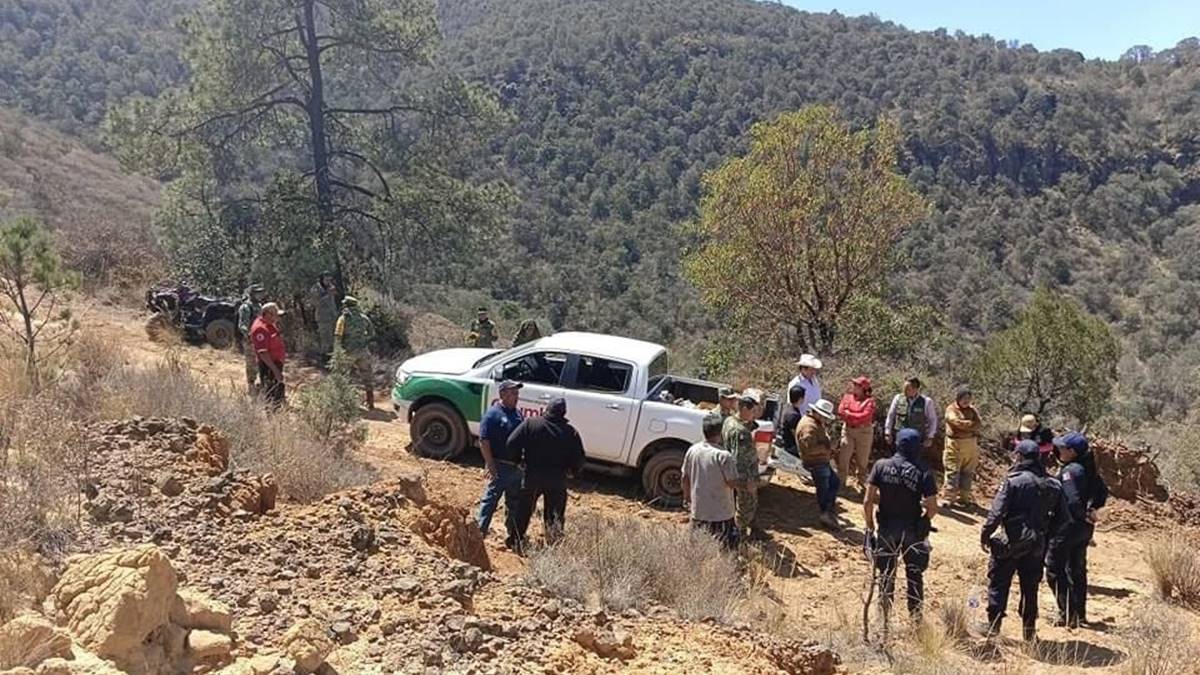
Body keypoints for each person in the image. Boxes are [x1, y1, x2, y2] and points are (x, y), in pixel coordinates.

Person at [980, 440, 1070, 642]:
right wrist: (1045, 534)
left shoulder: (1013, 481)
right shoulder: (1054, 484)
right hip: (1037, 544)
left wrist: (986, 535)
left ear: (1020, 457)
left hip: (1010, 542)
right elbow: (1064, 518)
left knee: (999, 582)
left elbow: (996, 513)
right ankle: (1029, 632)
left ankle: (993, 627)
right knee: (1030, 587)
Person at [864, 428, 938, 622]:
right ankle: (915, 619)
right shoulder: (924, 471)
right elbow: (932, 507)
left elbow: (867, 500)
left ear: (897, 444)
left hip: (887, 527)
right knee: (914, 574)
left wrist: (870, 527)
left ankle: (884, 618)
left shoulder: (880, 466)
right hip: (912, 530)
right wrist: (925, 521)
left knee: (886, 574)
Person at [1045, 431, 1108, 628]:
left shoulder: (1070, 471)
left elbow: (1071, 500)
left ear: (1071, 452)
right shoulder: (1089, 469)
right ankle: (1079, 614)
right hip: (1084, 529)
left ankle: (1067, 614)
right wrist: (1092, 512)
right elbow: (1103, 493)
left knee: (1055, 568)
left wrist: (1081, 514)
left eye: (1062, 448)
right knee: (1077, 570)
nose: (1058, 451)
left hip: (1067, 527)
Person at [508, 397, 585, 550]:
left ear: (547, 409)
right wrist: (573, 472)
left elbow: (511, 443)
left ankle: (515, 540)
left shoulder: (531, 424)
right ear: (563, 414)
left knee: (523, 510)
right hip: (557, 480)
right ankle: (553, 547)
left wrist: (518, 460)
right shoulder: (571, 432)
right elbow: (580, 459)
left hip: (532, 476)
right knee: (554, 514)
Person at [683, 411, 744, 549]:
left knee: (697, 548)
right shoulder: (723, 456)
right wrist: (747, 485)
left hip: (698, 511)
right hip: (720, 514)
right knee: (726, 549)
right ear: (720, 433)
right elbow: (731, 483)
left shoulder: (693, 450)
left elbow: (685, 477)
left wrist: (687, 498)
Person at [476, 380, 525, 548]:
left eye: (517, 393)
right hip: (499, 465)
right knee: (490, 500)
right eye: (512, 393)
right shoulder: (493, 414)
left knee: (515, 503)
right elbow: (483, 440)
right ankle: (479, 533)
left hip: (516, 468)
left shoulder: (518, 414)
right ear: (502, 394)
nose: (516, 397)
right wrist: (490, 464)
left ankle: (513, 537)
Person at [724, 392, 764, 540]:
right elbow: (739, 458)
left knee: (746, 504)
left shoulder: (729, 421)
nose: (754, 415)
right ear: (744, 409)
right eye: (752, 411)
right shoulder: (741, 432)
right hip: (744, 475)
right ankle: (738, 537)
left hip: (741, 472)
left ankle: (748, 530)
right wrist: (747, 482)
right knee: (745, 507)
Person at [797, 398, 841, 529]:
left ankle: (828, 510)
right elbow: (809, 448)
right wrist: (828, 447)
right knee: (824, 485)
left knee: (834, 482)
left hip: (820, 459)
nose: (826, 420)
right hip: (814, 461)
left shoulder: (814, 423)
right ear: (817, 413)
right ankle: (825, 513)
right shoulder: (809, 427)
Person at [943, 387, 982, 508]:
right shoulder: (951, 409)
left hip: (970, 446)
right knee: (952, 472)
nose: (966, 401)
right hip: (955, 445)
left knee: (967, 473)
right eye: (964, 398)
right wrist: (970, 424)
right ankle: (949, 498)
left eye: (968, 399)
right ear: (958, 398)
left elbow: (979, 424)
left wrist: (968, 425)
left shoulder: (972, 410)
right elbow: (955, 422)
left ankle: (964, 499)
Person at [334, 295, 376, 408]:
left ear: (346, 305)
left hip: (348, 352)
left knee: (343, 376)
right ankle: (370, 401)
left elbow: (338, 336)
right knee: (367, 376)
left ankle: (345, 403)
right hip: (363, 351)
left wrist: (337, 352)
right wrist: (363, 341)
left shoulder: (343, 319)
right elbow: (372, 334)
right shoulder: (364, 318)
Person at [838, 376, 876, 490]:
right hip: (848, 429)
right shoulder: (847, 397)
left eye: (857, 385)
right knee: (844, 456)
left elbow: (864, 416)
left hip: (864, 432)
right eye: (854, 384)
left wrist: (849, 414)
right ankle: (841, 482)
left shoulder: (870, 401)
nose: (854, 387)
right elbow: (840, 411)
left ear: (863, 388)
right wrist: (853, 415)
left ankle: (861, 482)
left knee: (862, 459)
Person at [250, 303, 287, 407]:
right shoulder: (260, 329)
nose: (277, 318)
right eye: (276, 315)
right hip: (269, 366)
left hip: (275, 363)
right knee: (271, 393)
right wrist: (275, 370)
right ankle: (272, 415)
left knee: (278, 390)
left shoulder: (269, 324)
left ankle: (279, 409)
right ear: (267, 314)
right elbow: (263, 353)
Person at [884, 377, 938, 449]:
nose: (904, 391)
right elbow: (891, 415)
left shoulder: (926, 401)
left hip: (917, 440)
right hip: (900, 438)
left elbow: (932, 420)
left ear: (915, 389)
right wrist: (888, 432)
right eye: (904, 388)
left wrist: (930, 437)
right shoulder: (898, 398)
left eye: (907, 389)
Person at [236, 284, 265, 394]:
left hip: (261, 339)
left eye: (261, 292)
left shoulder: (259, 306)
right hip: (251, 340)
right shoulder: (246, 307)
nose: (260, 295)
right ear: (252, 294)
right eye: (258, 293)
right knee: (251, 363)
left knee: (262, 361)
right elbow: (242, 324)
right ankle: (251, 386)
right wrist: (248, 334)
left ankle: (261, 384)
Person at [309, 272, 339, 361]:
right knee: (325, 339)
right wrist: (327, 294)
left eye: (330, 280)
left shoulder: (330, 287)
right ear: (322, 280)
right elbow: (315, 303)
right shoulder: (316, 289)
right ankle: (324, 359)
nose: (328, 282)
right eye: (326, 280)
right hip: (323, 318)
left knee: (334, 338)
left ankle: (334, 359)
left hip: (332, 316)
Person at [774, 385, 805, 458]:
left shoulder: (788, 408)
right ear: (800, 399)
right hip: (790, 447)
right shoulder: (793, 415)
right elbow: (796, 434)